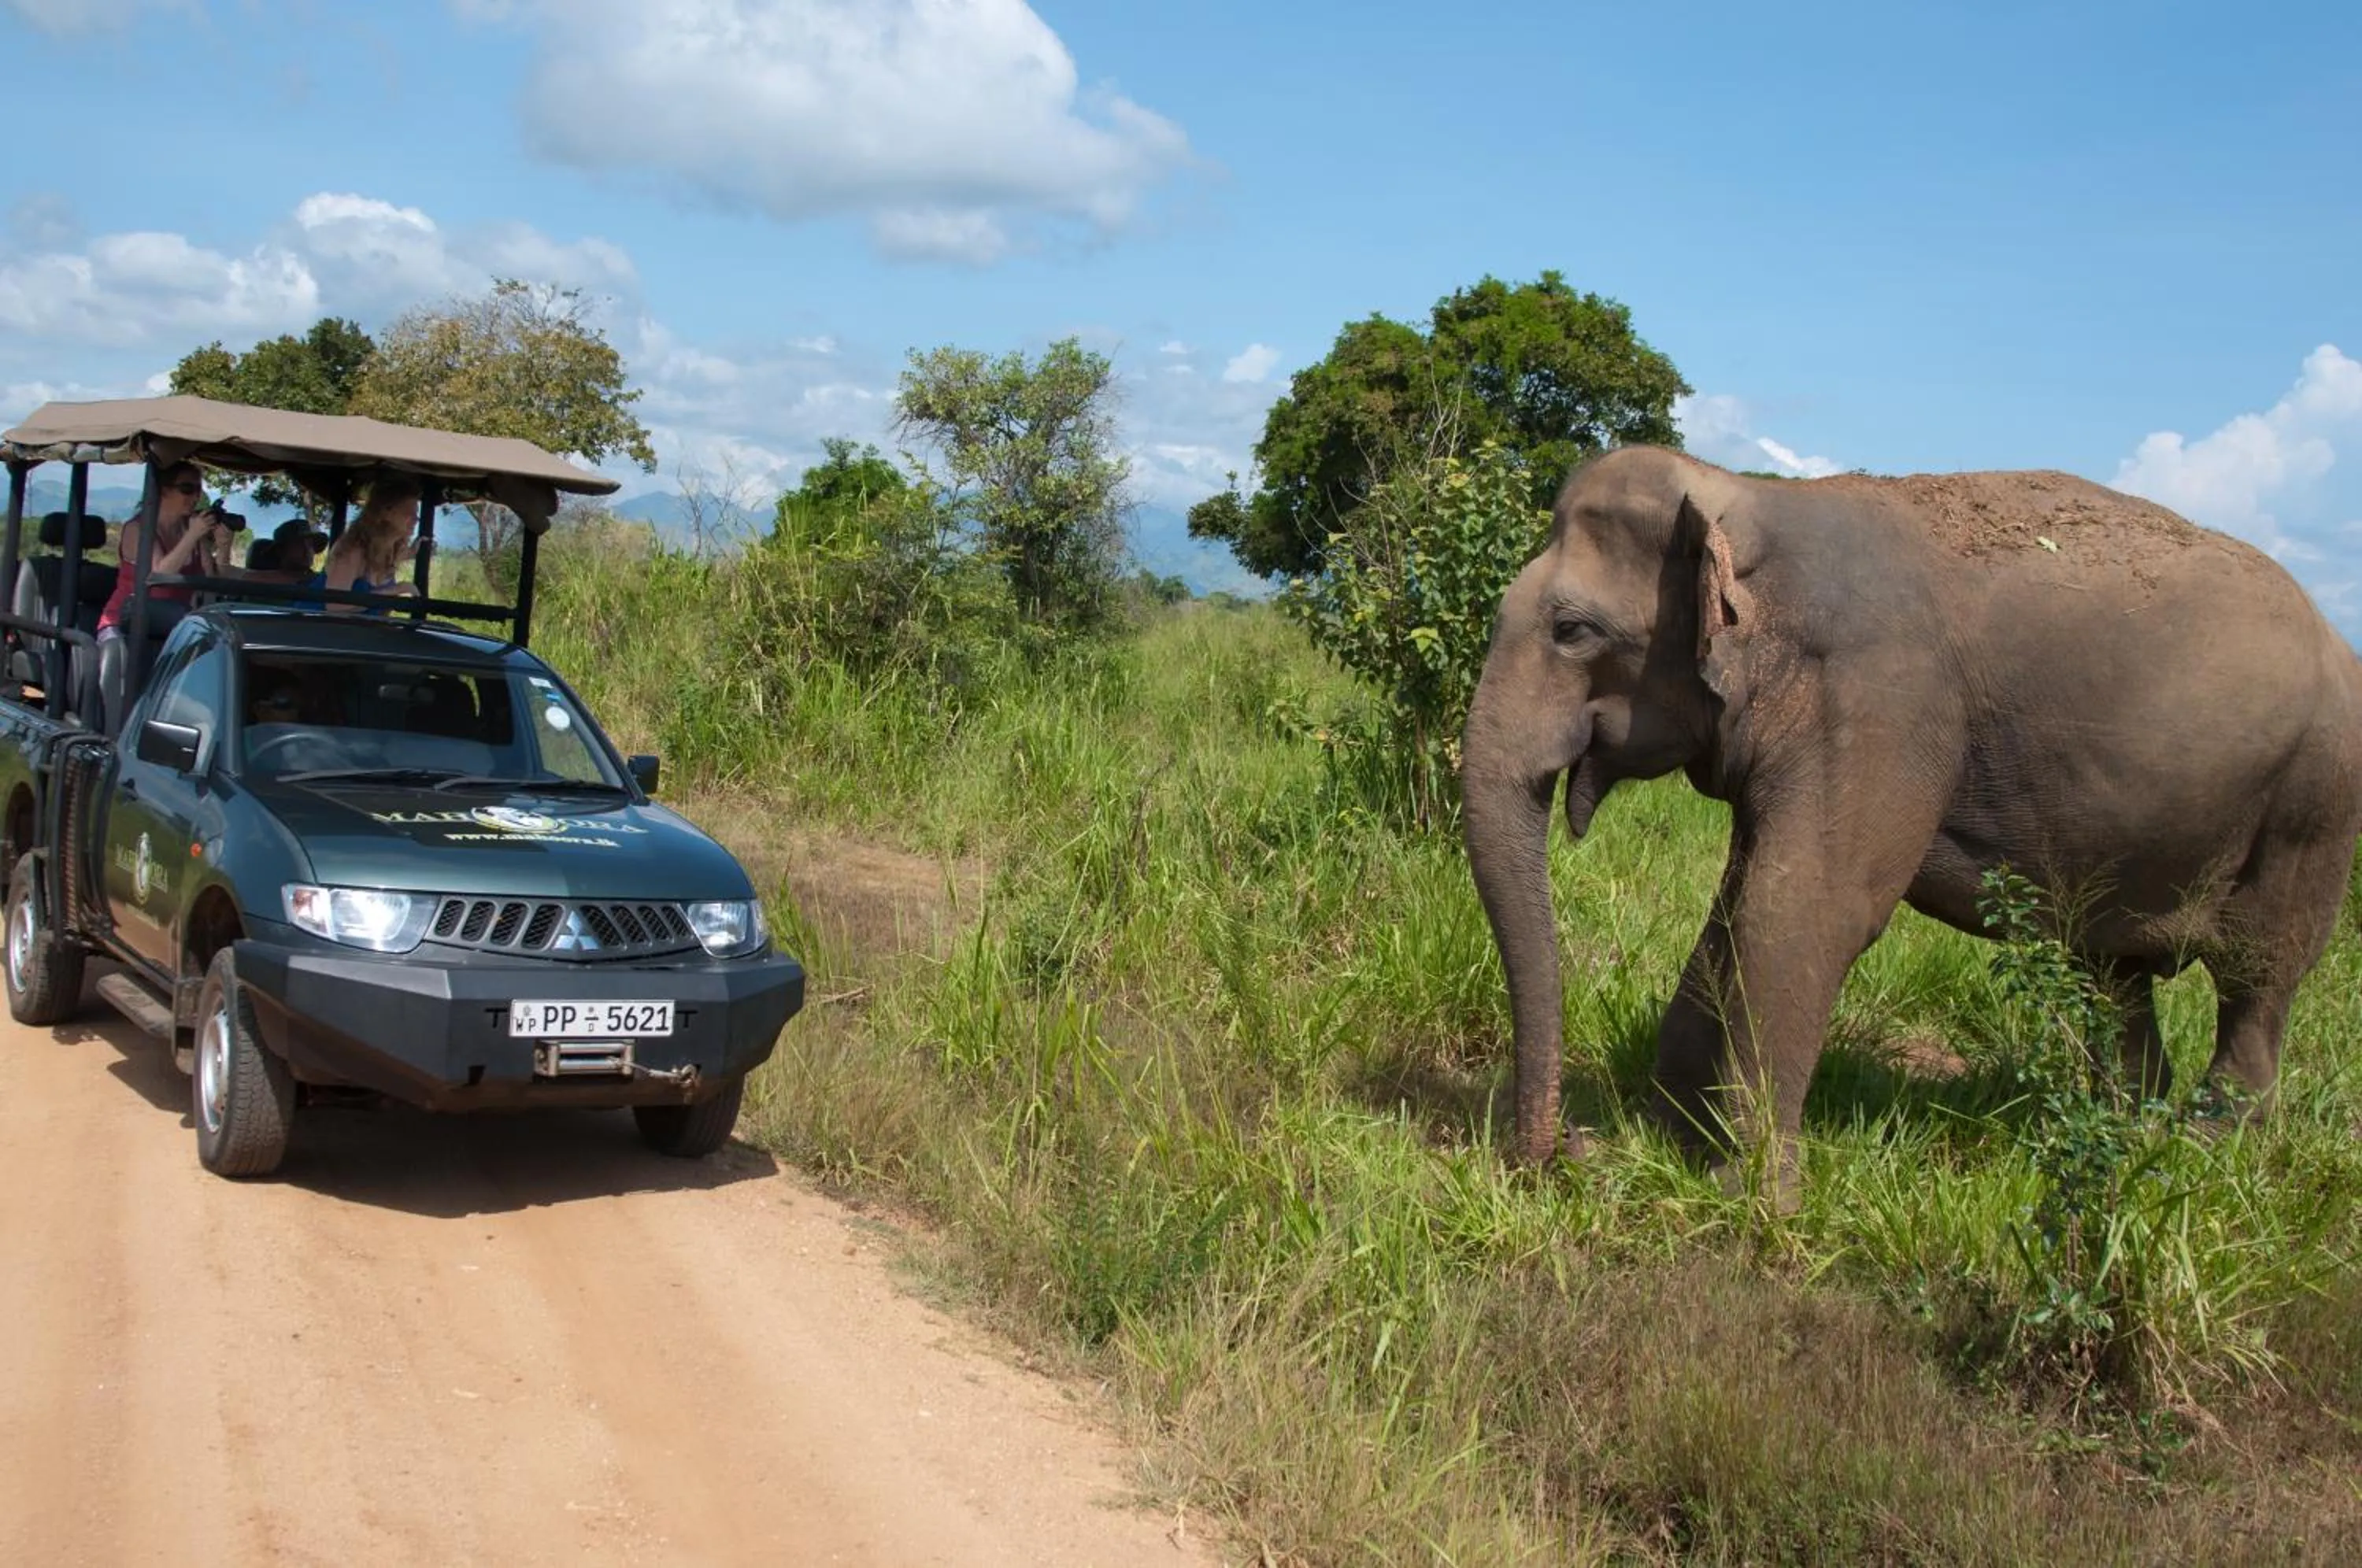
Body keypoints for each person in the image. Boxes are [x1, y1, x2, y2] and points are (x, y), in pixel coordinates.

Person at [95, 460, 238, 644]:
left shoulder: (192, 528)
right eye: (187, 489)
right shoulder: (137, 529)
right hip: (126, 625)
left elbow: (211, 580)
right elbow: (160, 575)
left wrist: (224, 546)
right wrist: (192, 535)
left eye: (198, 490)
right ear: (163, 490)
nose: (196, 497)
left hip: (173, 626)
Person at [323, 475, 422, 615]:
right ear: (385, 512)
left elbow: (407, 554)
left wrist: (418, 549)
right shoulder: (353, 550)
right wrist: (395, 590)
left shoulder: (392, 549)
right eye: (409, 512)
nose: (417, 519)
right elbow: (334, 606)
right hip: (316, 625)